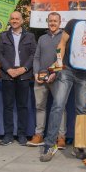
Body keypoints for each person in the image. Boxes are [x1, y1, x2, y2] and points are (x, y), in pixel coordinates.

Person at [40, 2, 86, 162]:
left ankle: (79, 147)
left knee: (82, 111)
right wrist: (58, 63)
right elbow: (61, 44)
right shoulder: (73, 24)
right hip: (67, 70)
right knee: (58, 105)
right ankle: (50, 145)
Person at [0, 11, 37, 146]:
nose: (14, 20)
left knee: (22, 106)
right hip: (8, 75)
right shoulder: (3, 36)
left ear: (22, 20)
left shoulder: (30, 36)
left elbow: (33, 54)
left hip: (24, 75)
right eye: (12, 18)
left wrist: (23, 69)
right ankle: (8, 135)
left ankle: (22, 135)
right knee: (7, 106)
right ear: (10, 20)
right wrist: (8, 69)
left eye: (17, 18)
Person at [28, 12, 67, 149]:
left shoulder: (64, 37)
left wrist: (54, 73)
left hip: (58, 78)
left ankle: (60, 137)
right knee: (40, 106)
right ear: (47, 21)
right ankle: (39, 135)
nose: (52, 23)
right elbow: (36, 57)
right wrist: (36, 73)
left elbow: (62, 59)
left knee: (60, 107)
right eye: (50, 21)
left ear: (60, 22)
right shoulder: (42, 38)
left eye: (55, 21)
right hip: (41, 78)